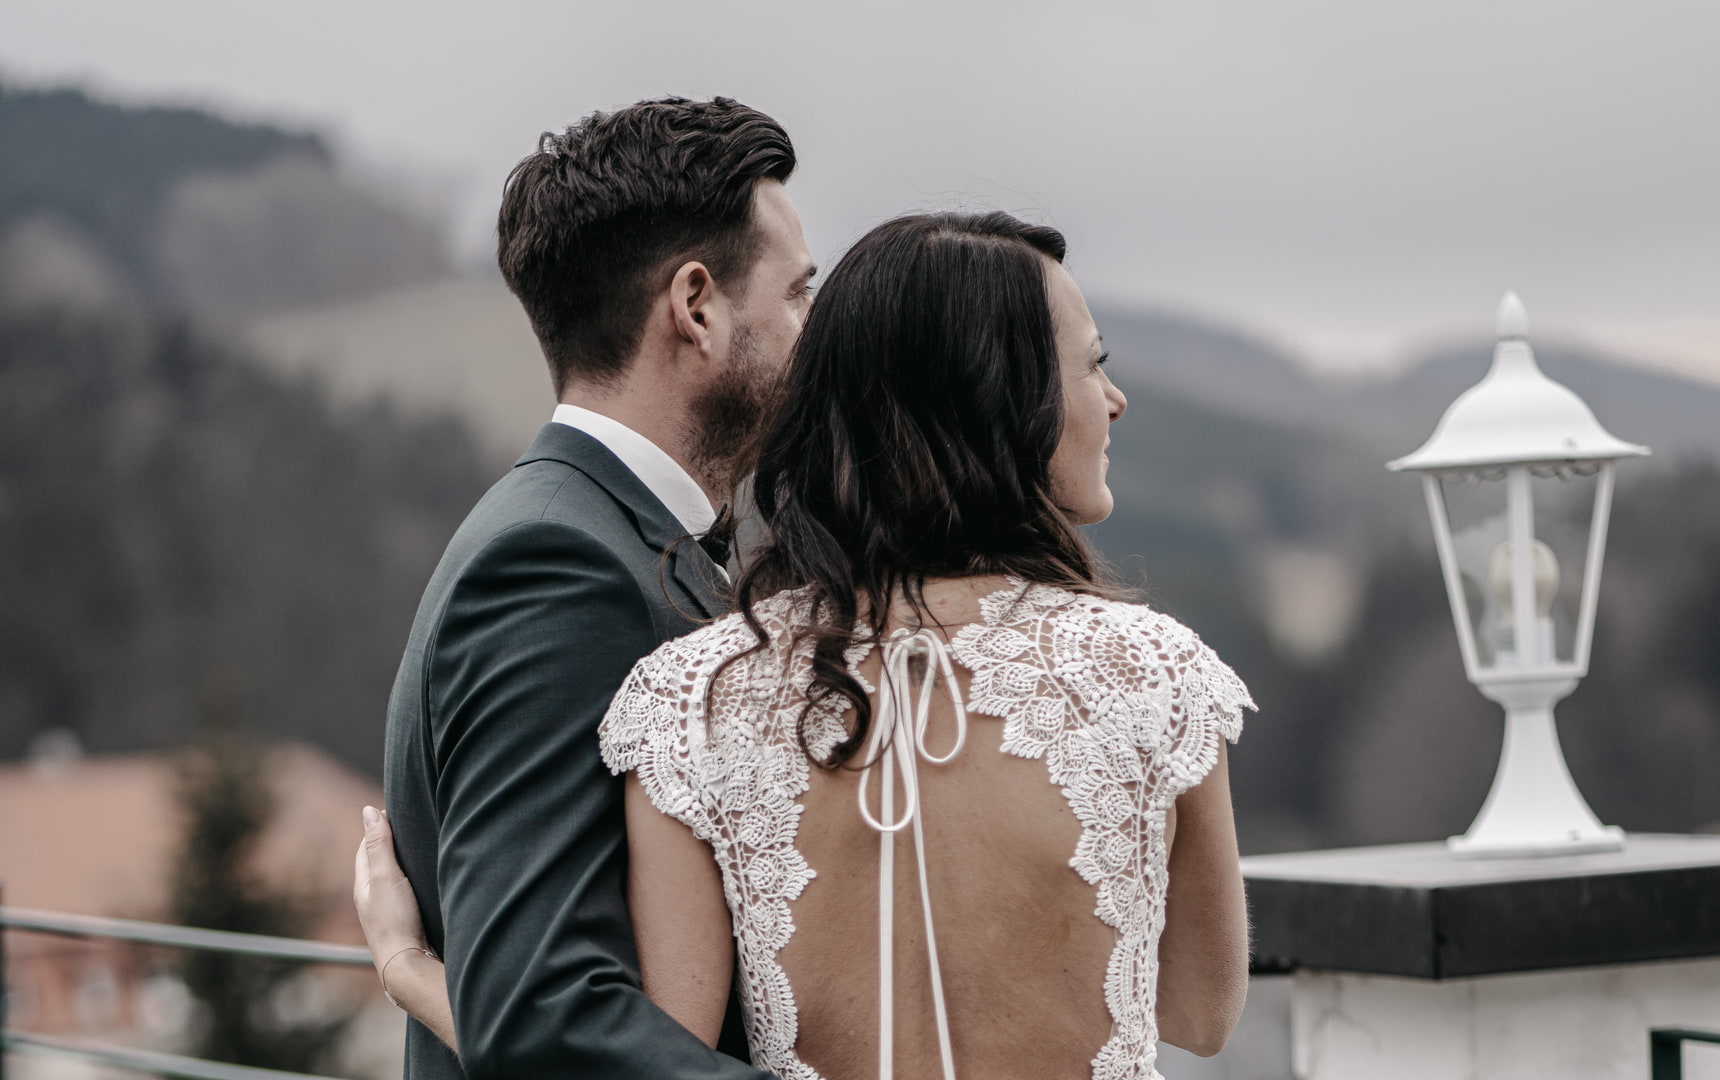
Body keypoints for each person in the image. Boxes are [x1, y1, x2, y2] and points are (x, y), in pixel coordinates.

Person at [360, 211, 1253, 1079]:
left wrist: (406, 966)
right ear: (1005, 399)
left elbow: (661, 1050)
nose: (1116, 397)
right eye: (1094, 364)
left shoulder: (692, 703)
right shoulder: (1157, 675)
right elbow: (1201, 1015)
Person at [375, 96, 813, 1080]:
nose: (814, 335)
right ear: (696, 306)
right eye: (797, 295)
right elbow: (546, 1018)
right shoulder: (556, 569)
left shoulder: (604, 535)